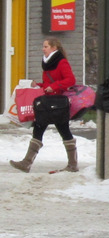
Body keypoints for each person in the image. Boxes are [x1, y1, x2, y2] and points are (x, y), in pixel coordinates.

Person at [9, 38, 78, 173]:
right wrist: (39, 85)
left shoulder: (61, 62)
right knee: (39, 129)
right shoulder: (48, 63)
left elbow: (70, 80)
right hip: (47, 103)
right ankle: (27, 163)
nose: (43, 49)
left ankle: (72, 164)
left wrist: (54, 86)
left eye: (45, 46)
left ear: (54, 48)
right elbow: (49, 83)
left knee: (64, 131)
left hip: (57, 104)